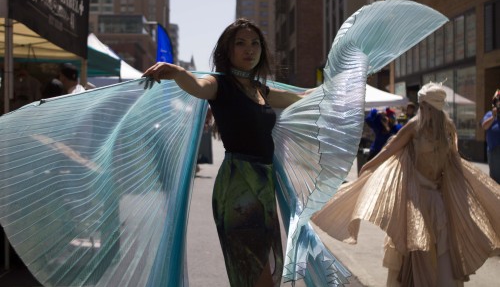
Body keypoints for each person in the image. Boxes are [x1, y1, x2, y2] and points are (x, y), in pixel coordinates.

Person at [142, 18, 311, 287]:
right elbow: (198, 87)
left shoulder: (260, 90)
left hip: (263, 186)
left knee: (261, 273)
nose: (249, 49)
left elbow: (303, 98)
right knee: (255, 274)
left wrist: (343, 85)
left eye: (255, 43)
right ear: (227, 51)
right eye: (241, 43)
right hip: (237, 187)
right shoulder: (219, 84)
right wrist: (176, 72)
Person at [312, 82, 500, 287]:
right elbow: (390, 149)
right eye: (421, 106)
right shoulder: (414, 127)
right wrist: (368, 167)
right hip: (416, 201)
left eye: (424, 106)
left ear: (432, 107)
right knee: (417, 250)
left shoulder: (448, 128)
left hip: (438, 200)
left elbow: (454, 162)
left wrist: (473, 193)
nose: (422, 110)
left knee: (442, 251)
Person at [481, 89, 500, 184]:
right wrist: (493, 116)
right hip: (494, 150)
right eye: (498, 101)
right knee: (495, 178)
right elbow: (484, 126)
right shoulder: (489, 114)